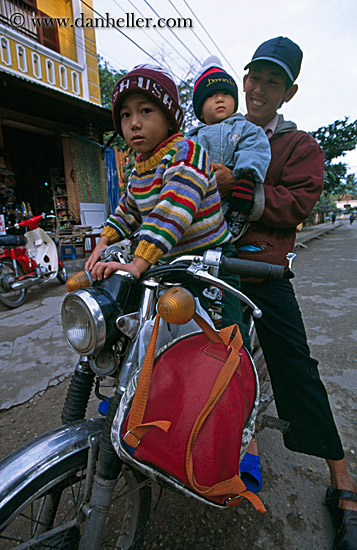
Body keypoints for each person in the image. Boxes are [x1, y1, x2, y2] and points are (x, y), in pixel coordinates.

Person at [213, 36, 357, 550]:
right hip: (206, 266)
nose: (259, 88)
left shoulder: (301, 147)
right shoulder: (219, 131)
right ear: (244, 76)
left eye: (274, 81)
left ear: (288, 91)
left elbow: (295, 204)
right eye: (255, 76)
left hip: (261, 272)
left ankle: (341, 475)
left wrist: (237, 188)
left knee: (296, 366)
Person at [84, 64, 245, 333]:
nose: (134, 123)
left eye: (145, 111)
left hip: (211, 264)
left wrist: (137, 263)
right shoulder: (140, 170)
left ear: (169, 118)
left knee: (225, 342)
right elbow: (127, 212)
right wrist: (103, 242)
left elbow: (172, 211)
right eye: (125, 115)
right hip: (165, 265)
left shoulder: (187, 153)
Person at [186, 57, 271, 241]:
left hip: (236, 200)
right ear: (200, 110)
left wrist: (246, 180)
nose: (219, 98)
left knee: (226, 251)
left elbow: (254, 152)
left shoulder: (246, 128)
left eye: (225, 93)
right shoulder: (191, 138)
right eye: (210, 95)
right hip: (199, 206)